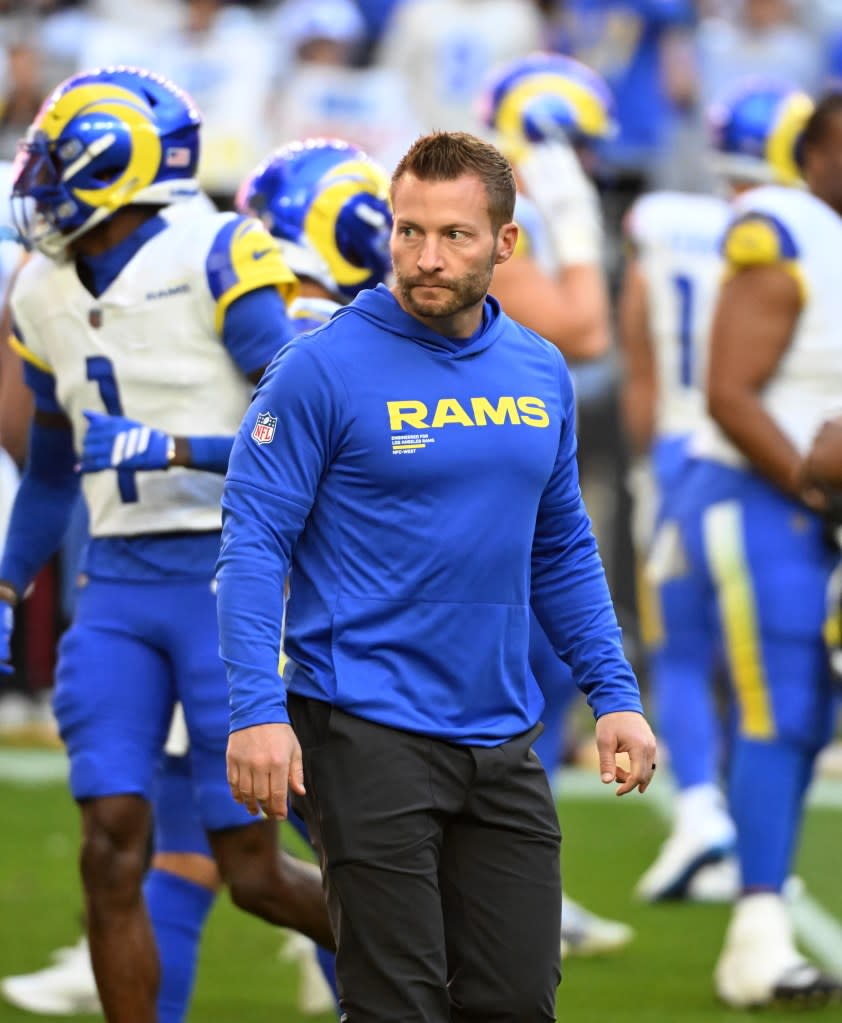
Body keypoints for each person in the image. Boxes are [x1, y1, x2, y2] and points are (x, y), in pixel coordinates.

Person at [218, 129, 658, 1022]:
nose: (426, 256)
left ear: (504, 241)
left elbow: (561, 546)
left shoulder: (540, 368)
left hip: (501, 735)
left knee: (517, 1002)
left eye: (455, 234)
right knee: (399, 1006)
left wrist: (615, 695)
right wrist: (257, 710)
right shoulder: (316, 368)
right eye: (409, 230)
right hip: (362, 728)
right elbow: (253, 544)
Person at [0, 66, 334, 1023]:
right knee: (109, 844)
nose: (39, 181)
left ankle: (446, 969)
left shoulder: (219, 251)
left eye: (58, 161)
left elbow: (310, 427)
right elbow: (53, 473)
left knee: (255, 869)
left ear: (122, 161)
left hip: (230, 581)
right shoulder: (39, 290)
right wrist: (7, 583)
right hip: (114, 585)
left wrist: (179, 446)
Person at [620, 79, 817, 904]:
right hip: (774, 457)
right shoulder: (809, 231)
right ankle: (732, 831)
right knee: (765, 664)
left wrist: (645, 458)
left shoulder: (666, 224)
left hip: (686, 451)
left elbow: (641, 358)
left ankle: (702, 807)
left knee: (682, 647)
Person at [671, 89, 842, 1007]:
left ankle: (762, 910)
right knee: (779, 704)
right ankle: (758, 932)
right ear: (811, 155)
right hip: (759, 499)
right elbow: (730, 392)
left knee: (809, 714)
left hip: (811, 507)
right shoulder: (785, 228)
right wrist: (815, 490)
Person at [480, 50, 635, 957]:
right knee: (518, 690)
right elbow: (583, 329)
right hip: (482, 485)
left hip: (500, 470)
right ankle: (512, 891)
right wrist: (575, 230)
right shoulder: (508, 218)